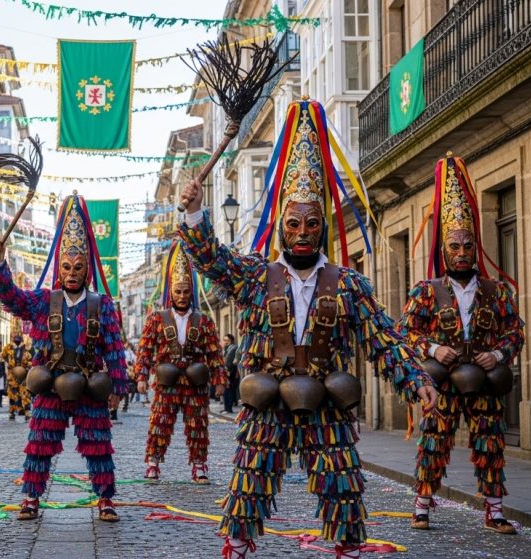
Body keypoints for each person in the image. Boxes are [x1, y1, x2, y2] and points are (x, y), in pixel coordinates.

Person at [177, 97, 439, 559]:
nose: (302, 232)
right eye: (294, 223)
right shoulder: (255, 276)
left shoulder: (348, 284)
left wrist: (416, 379)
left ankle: (348, 550)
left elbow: (383, 336)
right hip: (267, 402)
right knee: (249, 485)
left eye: (312, 224)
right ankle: (237, 548)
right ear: (281, 224)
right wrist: (196, 213)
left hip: (327, 403)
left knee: (344, 492)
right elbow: (212, 260)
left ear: (322, 227)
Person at [401, 152, 524, 535]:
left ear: (475, 247)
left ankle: (495, 511)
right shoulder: (427, 291)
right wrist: (433, 349)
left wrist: (498, 353)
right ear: (443, 250)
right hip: (443, 380)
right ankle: (422, 506)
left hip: (484, 381)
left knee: (491, 443)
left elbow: (515, 330)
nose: (461, 253)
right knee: (434, 441)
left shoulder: (495, 290)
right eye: (454, 247)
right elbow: (405, 330)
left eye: (467, 246)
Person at [0, 193, 128, 523]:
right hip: (51, 384)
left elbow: (114, 349)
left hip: (89, 384)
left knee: (99, 445)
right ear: (59, 269)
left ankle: (105, 499)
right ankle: (31, 498)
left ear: (87, 270)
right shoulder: (43, 301)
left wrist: (118, 387)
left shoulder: (101, 305)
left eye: (78, 267)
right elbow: (12, 298)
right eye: (66, 267)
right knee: (39, 443)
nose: (72, 273)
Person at [134, 240, 227, 483]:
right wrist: (141, 376)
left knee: (198, 425)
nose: (182, 296)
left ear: (191, 292)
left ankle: (199, 465)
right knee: (160, 422)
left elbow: (214, 353)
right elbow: (145, 350)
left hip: (195, 382)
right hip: (166, 381)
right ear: (171, 292)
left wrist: (219, 380)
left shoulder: (203, 320)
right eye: (178, 291)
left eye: (186, 292)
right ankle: (153, 463)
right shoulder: (157, 319)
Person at [0, 320, 33, 421]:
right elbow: (1, 356)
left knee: (25, 393)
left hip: (24, 375)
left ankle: (27, 412)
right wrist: (8, 364)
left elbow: (31, 360)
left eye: (19, 335)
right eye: (15, 334)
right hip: (12, 375)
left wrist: (27, 367)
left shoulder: (26, 347)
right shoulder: (8, 347)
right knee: (12, 394)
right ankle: (11, 412)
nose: (17, 337)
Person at [222, 334, 239, 414]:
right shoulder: (227, 348)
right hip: (226, 371)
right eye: (224, 340)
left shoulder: (233, 348)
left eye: (227, 340)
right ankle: (226, 408)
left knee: (228, 390)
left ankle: (228, 408)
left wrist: (228, 371)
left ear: (231, 341)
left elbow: (229, 362)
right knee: (226, 390)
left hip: (230, 372)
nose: (226, 342)